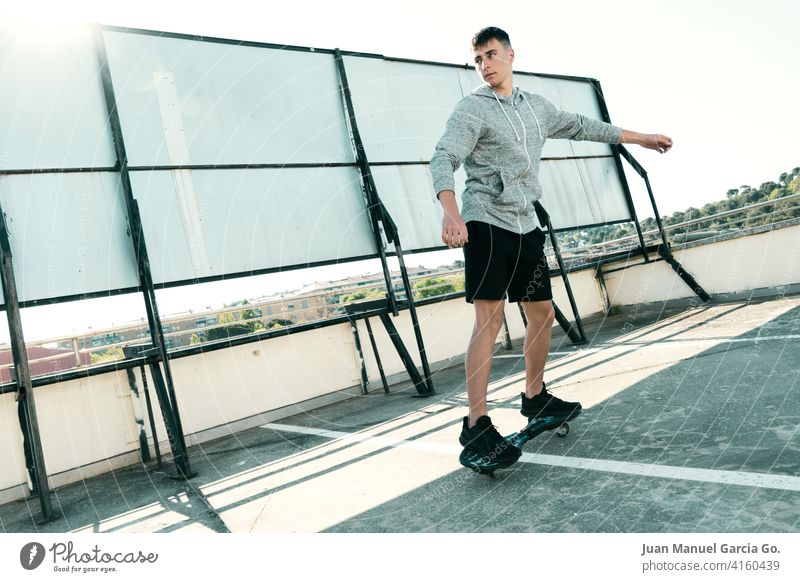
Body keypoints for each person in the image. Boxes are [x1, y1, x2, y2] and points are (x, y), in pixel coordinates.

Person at [430, 26, 672, 469]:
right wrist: (451, 211)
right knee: (491, 316)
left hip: (525, 225)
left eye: (491, 55)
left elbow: (584, 126)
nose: (484, 65)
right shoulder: (472, 109)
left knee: (540, 310)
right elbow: (443, 157)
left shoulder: (536, 107)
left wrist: (641, 138)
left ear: (510, 55)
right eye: (478, 59)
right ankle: (476, 423)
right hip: (485, 222)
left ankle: (535, 396)